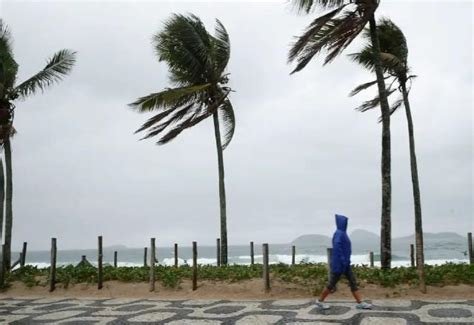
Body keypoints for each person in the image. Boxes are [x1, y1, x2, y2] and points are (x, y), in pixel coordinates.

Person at [316, 214, 372, 310]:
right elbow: (337, 248)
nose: (346, 223)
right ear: (341, 222)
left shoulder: (342, 233)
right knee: (332, 284)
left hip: (345, 264)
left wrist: (346, 261)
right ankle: (320, 301)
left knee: (352, 281)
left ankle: (360, 302)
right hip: (339, 265)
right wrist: (343, 261)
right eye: (344, 221)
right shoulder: (339, 233)